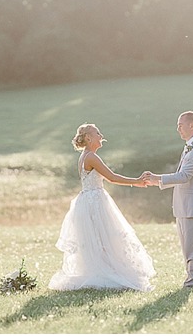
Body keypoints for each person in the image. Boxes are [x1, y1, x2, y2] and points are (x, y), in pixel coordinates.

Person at [49, 123, 155, 291]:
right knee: (105, 237)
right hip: (95, 201)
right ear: (89, 138)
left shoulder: (86, 155)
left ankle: (104, 268)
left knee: (100, 238)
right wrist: (136, 181)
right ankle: (107, 272)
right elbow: (112, 177)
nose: (101, 135)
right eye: (97, 133)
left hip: (90, 199)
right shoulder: (91, 157)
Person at [143, 111, 193, 289]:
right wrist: (155, 181)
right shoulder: (189, 147)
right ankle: (191, 279)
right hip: (183, 207)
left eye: (180, 124)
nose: (177, 128)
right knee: (187, 248)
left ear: (191, 126)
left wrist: (157, 178)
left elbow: (184, 176)